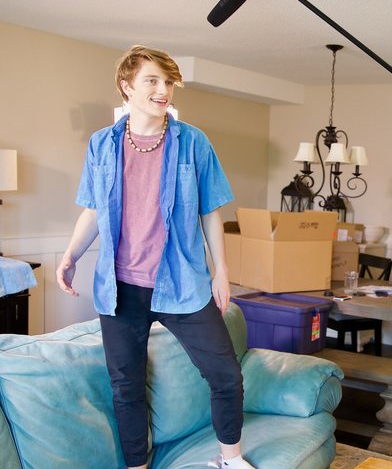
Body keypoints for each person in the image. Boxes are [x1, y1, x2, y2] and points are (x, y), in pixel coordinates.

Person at [56, 46, 254, 469]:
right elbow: (92, 209)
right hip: (120, 288)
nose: (163, 90)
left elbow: (210, 211)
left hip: (181, 281)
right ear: (126, 87)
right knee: (125, 386)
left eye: (169, 82)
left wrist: (221, 272)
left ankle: (229, 459)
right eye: (152, 80)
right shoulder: (101, 144)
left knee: (225, 374)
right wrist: (70, 255)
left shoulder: (193, 142)